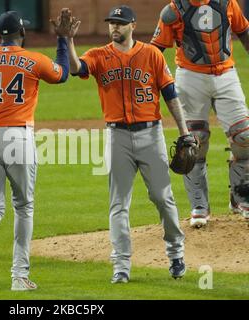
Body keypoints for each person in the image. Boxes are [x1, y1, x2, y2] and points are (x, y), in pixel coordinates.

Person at [60, 6, 193, 283]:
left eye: (120, 23)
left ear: (132, 25)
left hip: (150, 135)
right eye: (111, 23)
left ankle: (176, 253)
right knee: (118, 204)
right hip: (117, 136)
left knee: (163, 198)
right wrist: (68, 40)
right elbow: (76, 68)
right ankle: (120, 266)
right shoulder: (99, 55)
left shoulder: (152, 55)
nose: (114, 28)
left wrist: (185, 131)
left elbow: (170, 95)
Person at [0, 11, 69, 291]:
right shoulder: (33, 59)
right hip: (19, 136)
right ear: (21, 34)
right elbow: (63, 75)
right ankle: (19, 277)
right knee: (24, 206)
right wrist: (62, 40)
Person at [151, 0, 249, 227]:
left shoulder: (227, 3)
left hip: (226, 74)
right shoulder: (172, 11)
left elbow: (244, 32)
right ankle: (199, 206)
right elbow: (156, 51)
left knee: (244, 136)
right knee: (194, 141)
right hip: (190, 76)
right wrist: (152, 81)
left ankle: (241, 197)